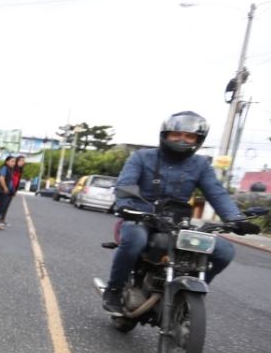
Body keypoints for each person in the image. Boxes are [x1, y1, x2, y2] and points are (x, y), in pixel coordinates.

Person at [102, 111, 260, 314]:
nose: (182, 139)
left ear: (198, 140)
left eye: (189, 136)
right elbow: (125, 186)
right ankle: (114, 289)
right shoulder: (141, 157)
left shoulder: (201, 164)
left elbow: (217, 193)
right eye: (177, 134)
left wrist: (236, 219)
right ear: (166, 135)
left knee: (224, 251)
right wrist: (125, 205)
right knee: (135, 242)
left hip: (176, 223)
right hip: (140, 217)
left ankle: (188, 294)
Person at [0, 155, 17, 229]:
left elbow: (10, 181)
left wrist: (12, 191)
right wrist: (5, 188)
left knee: (0, 206)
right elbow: (2, 178)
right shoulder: (4, 168)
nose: (13, 163)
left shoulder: (9, 169)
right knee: (1, 206)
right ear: (6, 161)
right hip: (1, 190)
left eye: (14, 162)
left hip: (3, 190)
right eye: (12, 161)